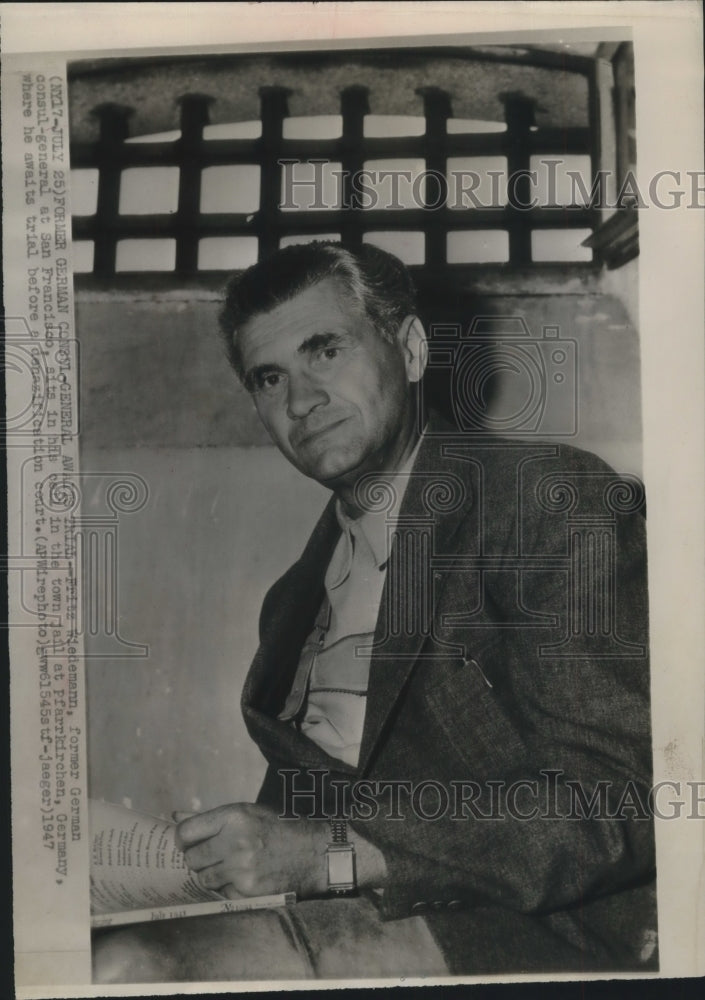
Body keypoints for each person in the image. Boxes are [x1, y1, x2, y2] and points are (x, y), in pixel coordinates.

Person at [93, 241, 657, 982]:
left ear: (413, 350)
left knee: (131, 968)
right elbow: (306, 818)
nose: (300, 400)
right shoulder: (292, 598)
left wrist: (331, 853)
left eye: (324, 351)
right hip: (358, 915)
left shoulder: (543, 501)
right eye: (270, 378)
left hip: (542, 933)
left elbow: (617, 800)